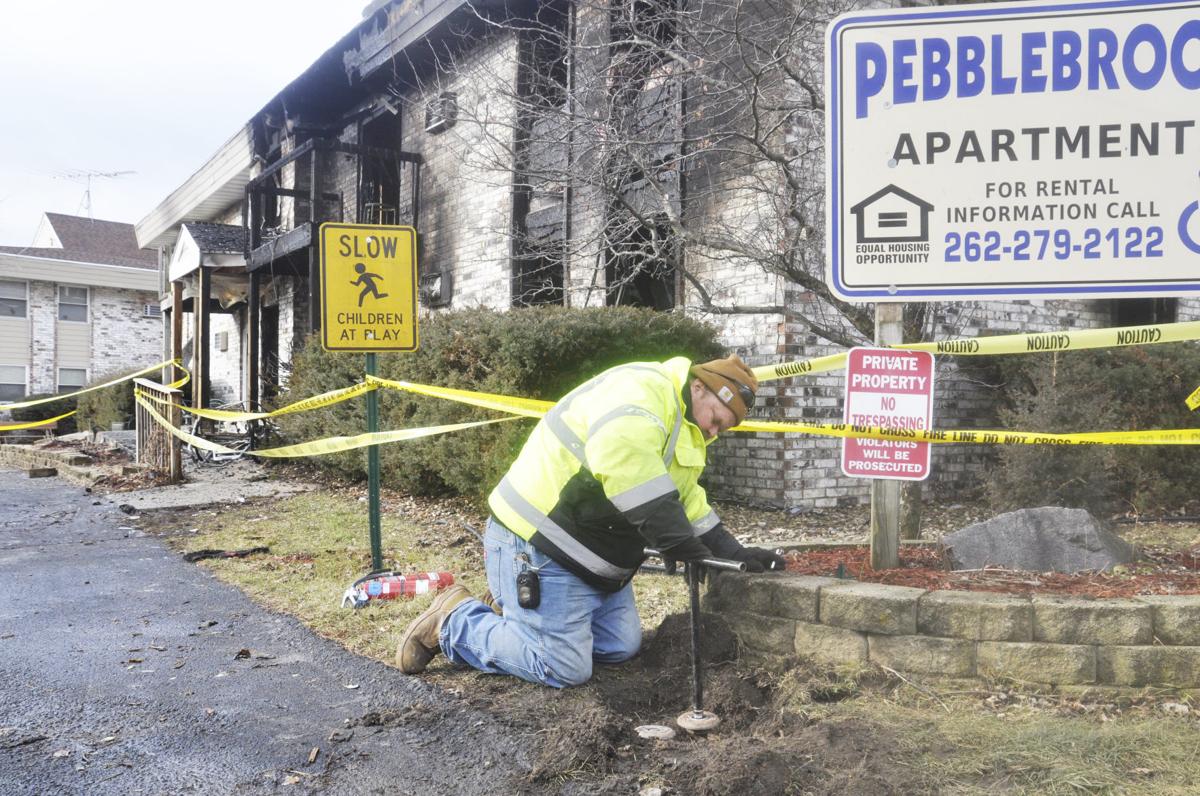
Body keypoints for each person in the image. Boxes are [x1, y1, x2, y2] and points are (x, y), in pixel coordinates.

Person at [396, 354, 786, 687]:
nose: (714, 431)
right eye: (717, 418)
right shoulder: (643, 392)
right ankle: (455, 622)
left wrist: (730, 551)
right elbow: (626, 465)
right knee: (564, 667)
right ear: (700, 387)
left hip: (591, 557)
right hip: (539, 544)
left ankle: (517, 615)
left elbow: (687, 500)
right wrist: (676, 541)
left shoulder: (686, 427)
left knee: (621, 647)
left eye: (723, 428)